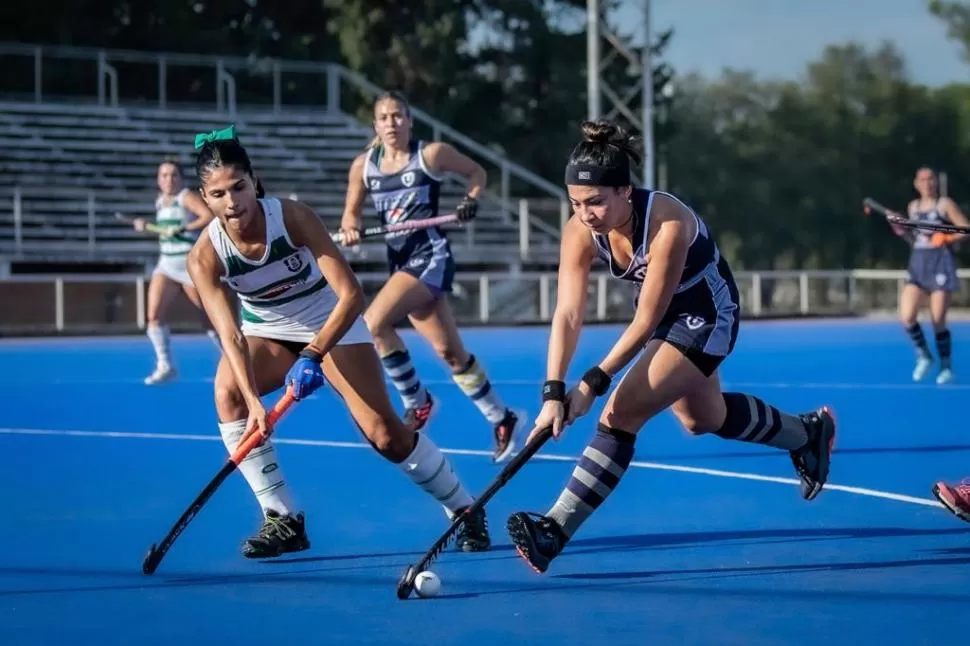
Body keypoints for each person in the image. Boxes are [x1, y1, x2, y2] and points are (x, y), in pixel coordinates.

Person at [505, 120, 837, 574]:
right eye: (576, 202)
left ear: (625, 191)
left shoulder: (667, 222)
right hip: (666, 318)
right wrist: (552, 391)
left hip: (707, 316)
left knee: (619, 414)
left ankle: (555, 529)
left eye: (596, 202)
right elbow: (567, 313)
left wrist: (591, 384)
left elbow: (645, 320)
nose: (586, 214)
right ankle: (807, 433)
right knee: (703, 418)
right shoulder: (580, 228)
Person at [185, 125, 490, 558]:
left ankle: (464, 508)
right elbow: (231, 334)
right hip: (265, 331)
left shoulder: (291, 218)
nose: (232, 203)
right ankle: (282, 517)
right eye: (218, 195)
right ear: (204, 196)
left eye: (238, 187)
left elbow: (351, 296)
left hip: (331, 321)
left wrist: (312, 353)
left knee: (386, 436)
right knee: (229, 393)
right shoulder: (204, 255)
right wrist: (255, 402)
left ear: (253, 180)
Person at [338, 90, 524, 463]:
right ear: (375, 125)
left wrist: (471, 199)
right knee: (450, 354)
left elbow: (477, 173)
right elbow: (350, 214)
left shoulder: (430, 155)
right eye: (384, 117)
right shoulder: (364, 166)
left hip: (430, 256)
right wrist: (351, 228)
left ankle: (417, 402)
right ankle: (502, 417)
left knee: (373, 323)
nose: (391, 122)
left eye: (397, 116)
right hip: (400, 261)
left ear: (409, 121)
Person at [131, 158, 220, 385]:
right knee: (154, 316)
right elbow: (164, 231)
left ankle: (232, 358)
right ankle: (165, 365)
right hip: (167, 266)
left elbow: (208, 216)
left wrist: (183, 227)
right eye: (163, 175)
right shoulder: (161, 202)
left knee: (210, 319)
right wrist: (144, 226)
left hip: (190, 266)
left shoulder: (185, 197)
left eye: (173, 175)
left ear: (180, 178)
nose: (168, 179)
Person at [884, 167, 968, 384]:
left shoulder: (945, 204)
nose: (927, 182)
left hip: (941, 263)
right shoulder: (913, 207)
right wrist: (899, 228)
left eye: (930, 178)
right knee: (906, 315)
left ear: (935, 182)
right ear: (916, 183)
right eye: (923, 179)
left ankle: (946, 366)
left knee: (938, 318)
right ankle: (924, 355)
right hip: (918, 264)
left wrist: (947, 238)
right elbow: (914, 239)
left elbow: (965, 228)